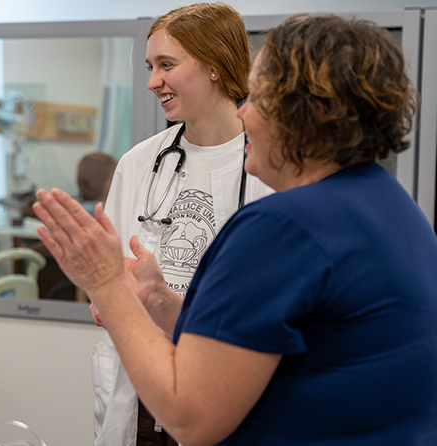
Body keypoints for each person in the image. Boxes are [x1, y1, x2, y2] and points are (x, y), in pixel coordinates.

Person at [33, 13, 437, 446]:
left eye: (259, 97)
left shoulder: (285, 228)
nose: (243, 110)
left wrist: (105, 281)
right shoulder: (394, 207)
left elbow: (192, 418)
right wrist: (157, 300)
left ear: (311, 114)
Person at [90, 4, 272, 445]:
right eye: (151, 66)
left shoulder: (270, 164)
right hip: (143, 385)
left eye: (166, 65)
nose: (153, 81)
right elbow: (109, 277)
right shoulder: (139, 163)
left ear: (213, 65)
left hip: (226, 383)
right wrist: (104, 291)